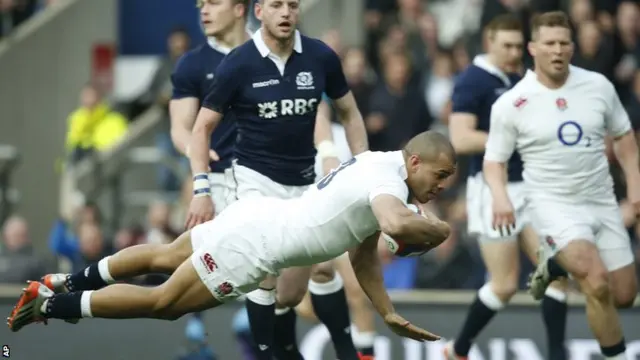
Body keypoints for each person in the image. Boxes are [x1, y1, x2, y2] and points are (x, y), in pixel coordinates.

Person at [7, 132, 455, 352]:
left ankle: (65, 281)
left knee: (165, 254)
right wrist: (442, 229)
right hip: (253, 249)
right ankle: (47, 304)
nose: (440, 189)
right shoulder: (387, 184)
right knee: (163, 302)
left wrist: (386, 310)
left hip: (256, 216)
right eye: (438, 176)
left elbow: (363, 253)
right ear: (415, 161)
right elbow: (397, 225)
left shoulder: (381, 168)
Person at [187, 0, 369, 359]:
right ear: (258, 12)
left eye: (292, 5)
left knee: (300, 287)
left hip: (304, 184)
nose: (285, 12)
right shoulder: (239, 63)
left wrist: (360, 165)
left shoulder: (320, 57)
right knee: (267, 273)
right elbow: (201, 128)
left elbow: (348, 111)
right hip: (256, 184)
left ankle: (294, 350)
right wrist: (201, 188)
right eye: (276, 5)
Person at [484, 11, 638, 360]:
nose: (557, 50)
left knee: (625, 294)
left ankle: (553, 265)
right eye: (549, 43)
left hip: (601, 200)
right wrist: (500, 197)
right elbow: (494, 160)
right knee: (595, 281)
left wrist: (636, 184)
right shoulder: (512, 103)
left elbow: (625, 138)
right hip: (553, 205)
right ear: (533, 48)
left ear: (572, 47)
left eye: (564, 43)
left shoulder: (598, 86)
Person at [444, 14, 568, 360]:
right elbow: (460, 137)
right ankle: (458, 348)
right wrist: (511, 138)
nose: (515, 53)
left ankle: (557, 353)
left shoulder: (519, 76)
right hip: (491, 188)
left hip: (527, 186)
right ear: (489, 42)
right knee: (504, 285)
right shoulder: (473, 80)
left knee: (556, 270)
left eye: (518, 46)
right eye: (507, 46)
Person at [169, 0, 251, 357]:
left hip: (267, 178)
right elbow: (180, 129)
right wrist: (196, 153)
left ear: (239, 8)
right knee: (200, 258)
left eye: (213, 2)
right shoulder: (192, 63)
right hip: (214, 179)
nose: (203, 10)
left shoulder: (269, 54)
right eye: (200, 4)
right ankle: (198, 331)